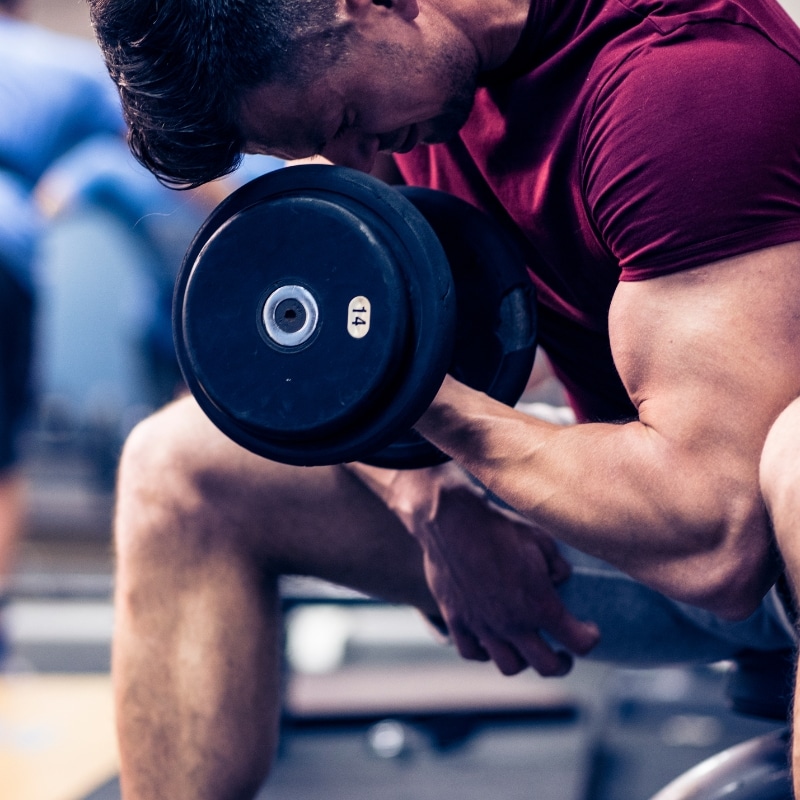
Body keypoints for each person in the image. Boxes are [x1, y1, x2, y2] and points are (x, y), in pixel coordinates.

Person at [87, 0, 800, 797]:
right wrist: (428, 492)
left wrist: (416, 397)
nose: (349, 161)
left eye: (347, 120)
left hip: (754, 536)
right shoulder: (415, 84)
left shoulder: (680, 82)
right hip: (658, 515)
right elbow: (324, 323)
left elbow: (722, 540)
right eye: (314, 145)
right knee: (173, 467)